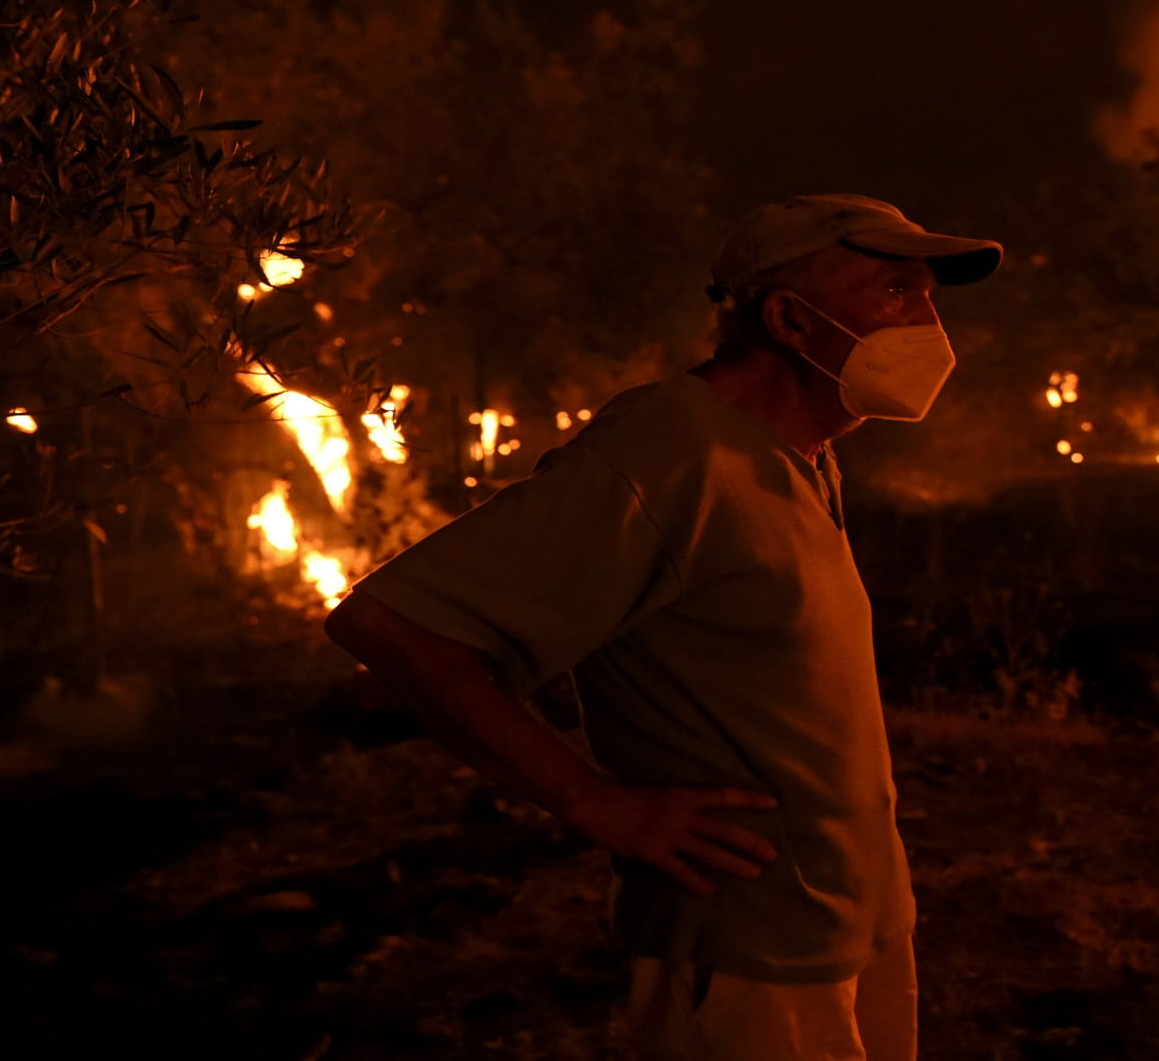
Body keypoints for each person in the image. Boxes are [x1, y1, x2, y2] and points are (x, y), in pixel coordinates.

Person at [323, 193, 1002, 1059]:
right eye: (897, 292)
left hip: (848, 928)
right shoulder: (667, 450)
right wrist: (590, 800)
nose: (930, 322)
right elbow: (397, 629)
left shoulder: (803, 453)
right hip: (751, 958)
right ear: (792, 319)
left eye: (930, 295)